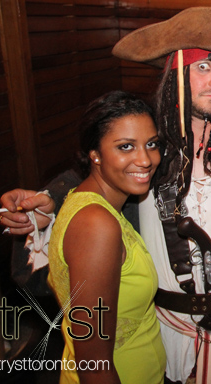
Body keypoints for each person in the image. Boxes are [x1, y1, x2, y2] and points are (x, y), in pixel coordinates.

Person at [0, 7, 211, 384]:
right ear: (176, 72)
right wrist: (50, 202)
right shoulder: (148, 138)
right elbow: (96, 172)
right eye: (203, 67)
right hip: (170, 330)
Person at [45, 91, 166, 383]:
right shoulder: (96, 224)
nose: (145, 159)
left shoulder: (92, 203)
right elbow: (93, 364)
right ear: (95, 154)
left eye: (151, 144)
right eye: (126, 146)